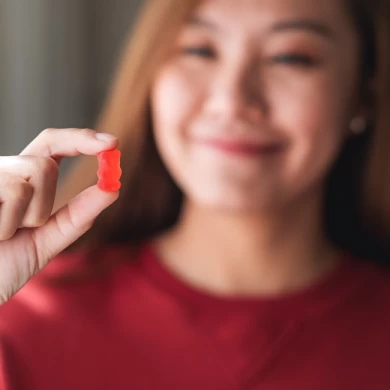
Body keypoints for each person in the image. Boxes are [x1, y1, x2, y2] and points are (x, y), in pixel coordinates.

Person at [0, 0, 389, 388]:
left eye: (290, 58)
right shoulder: (22, 322)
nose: (232, 101)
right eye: (199, 50)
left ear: (363, 93)